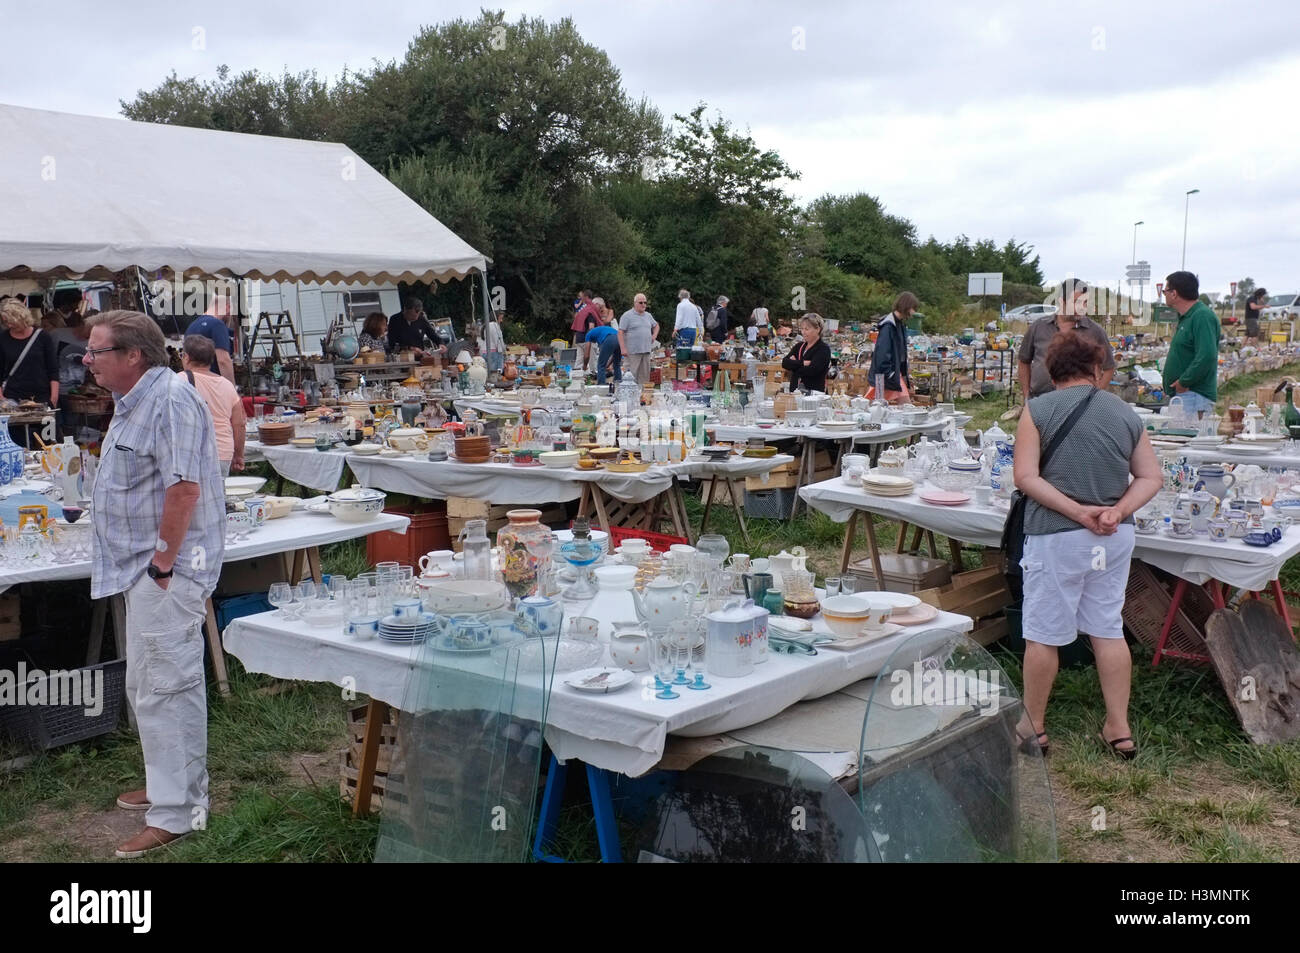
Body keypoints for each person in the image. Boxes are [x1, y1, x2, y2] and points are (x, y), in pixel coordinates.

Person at [84, 310, 224, 858]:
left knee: (170, 686)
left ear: (133, 355)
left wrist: (164, 565)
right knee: (147, 684)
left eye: (97, 351)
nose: (88, 361)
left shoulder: (169, 399)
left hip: (167, 569)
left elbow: (183, 489)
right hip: (144, 567)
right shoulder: (136, 400)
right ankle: (167, 784)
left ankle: (180, 810)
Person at [1012, 332, 1161, 761]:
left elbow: (1026, 478)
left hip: (1057, 536)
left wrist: (1078, 512)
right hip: (1113, 537)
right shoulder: (1125, 413)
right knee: (1107, 628)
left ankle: (1033, 726)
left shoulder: (1036, 410)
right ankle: (1119, 727)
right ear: (1096, 371)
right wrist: (1115, 511)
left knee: (1043, 634)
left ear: (1050, 372)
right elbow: (1151, 477)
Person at [1018, 279, 1115, 401]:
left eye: (1085, 302)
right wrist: (1027, 396)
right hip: (1040, 400)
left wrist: (1093, 398)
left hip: (1078, 404)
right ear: (1062, 302)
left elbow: (1109, 367)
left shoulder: (1095, 332)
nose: (1082, 307)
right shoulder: (1038, 327)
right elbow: (1023, 361)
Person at [179, 334, 246, 476]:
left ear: (186, 357)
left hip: (194, 453)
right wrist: (239, 454)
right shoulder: (228, 385)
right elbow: (239, 424)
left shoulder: (179, 381)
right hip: (223, 453)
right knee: (218, 495)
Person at [1160, 270, 1221, 417]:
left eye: (1165, 291)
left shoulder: (1201, 316)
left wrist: (1183, 382)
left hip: (1194, 397)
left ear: (1174, 293)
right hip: (1186, 396)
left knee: (1189, 438)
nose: (1164, 295)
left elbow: (1207, 355)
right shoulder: (1187, 317)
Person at [0, 298, 59, 405]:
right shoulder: (3, 338)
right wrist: (2, 398)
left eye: (11, 321)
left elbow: (53, 369)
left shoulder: (43, 337)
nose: (8, 325)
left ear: (21, 317)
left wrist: (54, 398)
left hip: (42, 397)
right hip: (11, 399)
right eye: (5, 322)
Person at [867, 291, 918, 403]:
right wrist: (889, 373)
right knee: (876, 408)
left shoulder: (899, 325)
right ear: (907, 306)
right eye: (913, 308)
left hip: (893, 374)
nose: (914, 312)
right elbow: (882, 353)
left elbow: (900, 354)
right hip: (883, 375)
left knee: (905, 406)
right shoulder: (888, 326)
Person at [185, 293, 236, 384]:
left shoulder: (191, 326)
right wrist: (232, 388)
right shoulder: (218, 325)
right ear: (227, 307)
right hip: (215, 385)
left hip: (196, 385)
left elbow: (185, 359)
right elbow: (223, 360)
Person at [781, 313, 831, 392]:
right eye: (802, 329)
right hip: (795, 392)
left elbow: (812, 370)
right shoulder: (799, 346)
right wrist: (802, 363)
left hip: (813, 395)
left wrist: (794, 364)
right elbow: (785, 363)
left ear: (818, 329)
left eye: (807, 329)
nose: (803, 332)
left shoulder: (823, 349)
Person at [618, 293, 659, 385]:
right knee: (630, 377)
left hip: (646, 351)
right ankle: (628, 396)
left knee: (644, 378)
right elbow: (620, 332)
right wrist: (623, 348)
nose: (643, 305)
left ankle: (643, 397)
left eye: (645, 302)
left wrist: (654, 335)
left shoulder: (648, 315)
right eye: (641, 302)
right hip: (632, 352)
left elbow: (656, 325)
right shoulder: (627, 316)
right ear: (635, 303)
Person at [585, 312, 621, 384]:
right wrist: (607, 364)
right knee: (617, 364)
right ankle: (618, 384)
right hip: (620, 338)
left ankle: (601, 386)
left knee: (600, 365)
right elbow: (613, 357)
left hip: (609, 338)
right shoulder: (600, 331)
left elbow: (587, 355)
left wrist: (584, 366)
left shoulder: (588, 334)